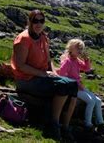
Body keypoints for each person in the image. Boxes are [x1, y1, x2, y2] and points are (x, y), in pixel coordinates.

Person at [11, 10, 78, 140]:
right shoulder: (23, 39)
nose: (38, 24)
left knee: (73, 85)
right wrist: (43, 74)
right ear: (29, 22)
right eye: (35, 21)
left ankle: (65, 126)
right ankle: (54, 124)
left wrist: (53, 73)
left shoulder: (43, 37)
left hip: (42, 77)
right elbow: (20, 66)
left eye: (41, 21)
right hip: (26, 80)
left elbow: (48, 61)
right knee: (63, 86)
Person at [58, 39, 104, 134]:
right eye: (78, 48)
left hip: (79, 86)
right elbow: (62, 74)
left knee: (98, 101)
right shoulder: (67, 61)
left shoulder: (76, 60)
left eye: (81, 49)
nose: (80, 51)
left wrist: (86, 60)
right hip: (73, 88)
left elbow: (87, 68)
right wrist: (74, 83)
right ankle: (88, 124)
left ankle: (100, 123)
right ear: (71, 48)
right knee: (91, 101)